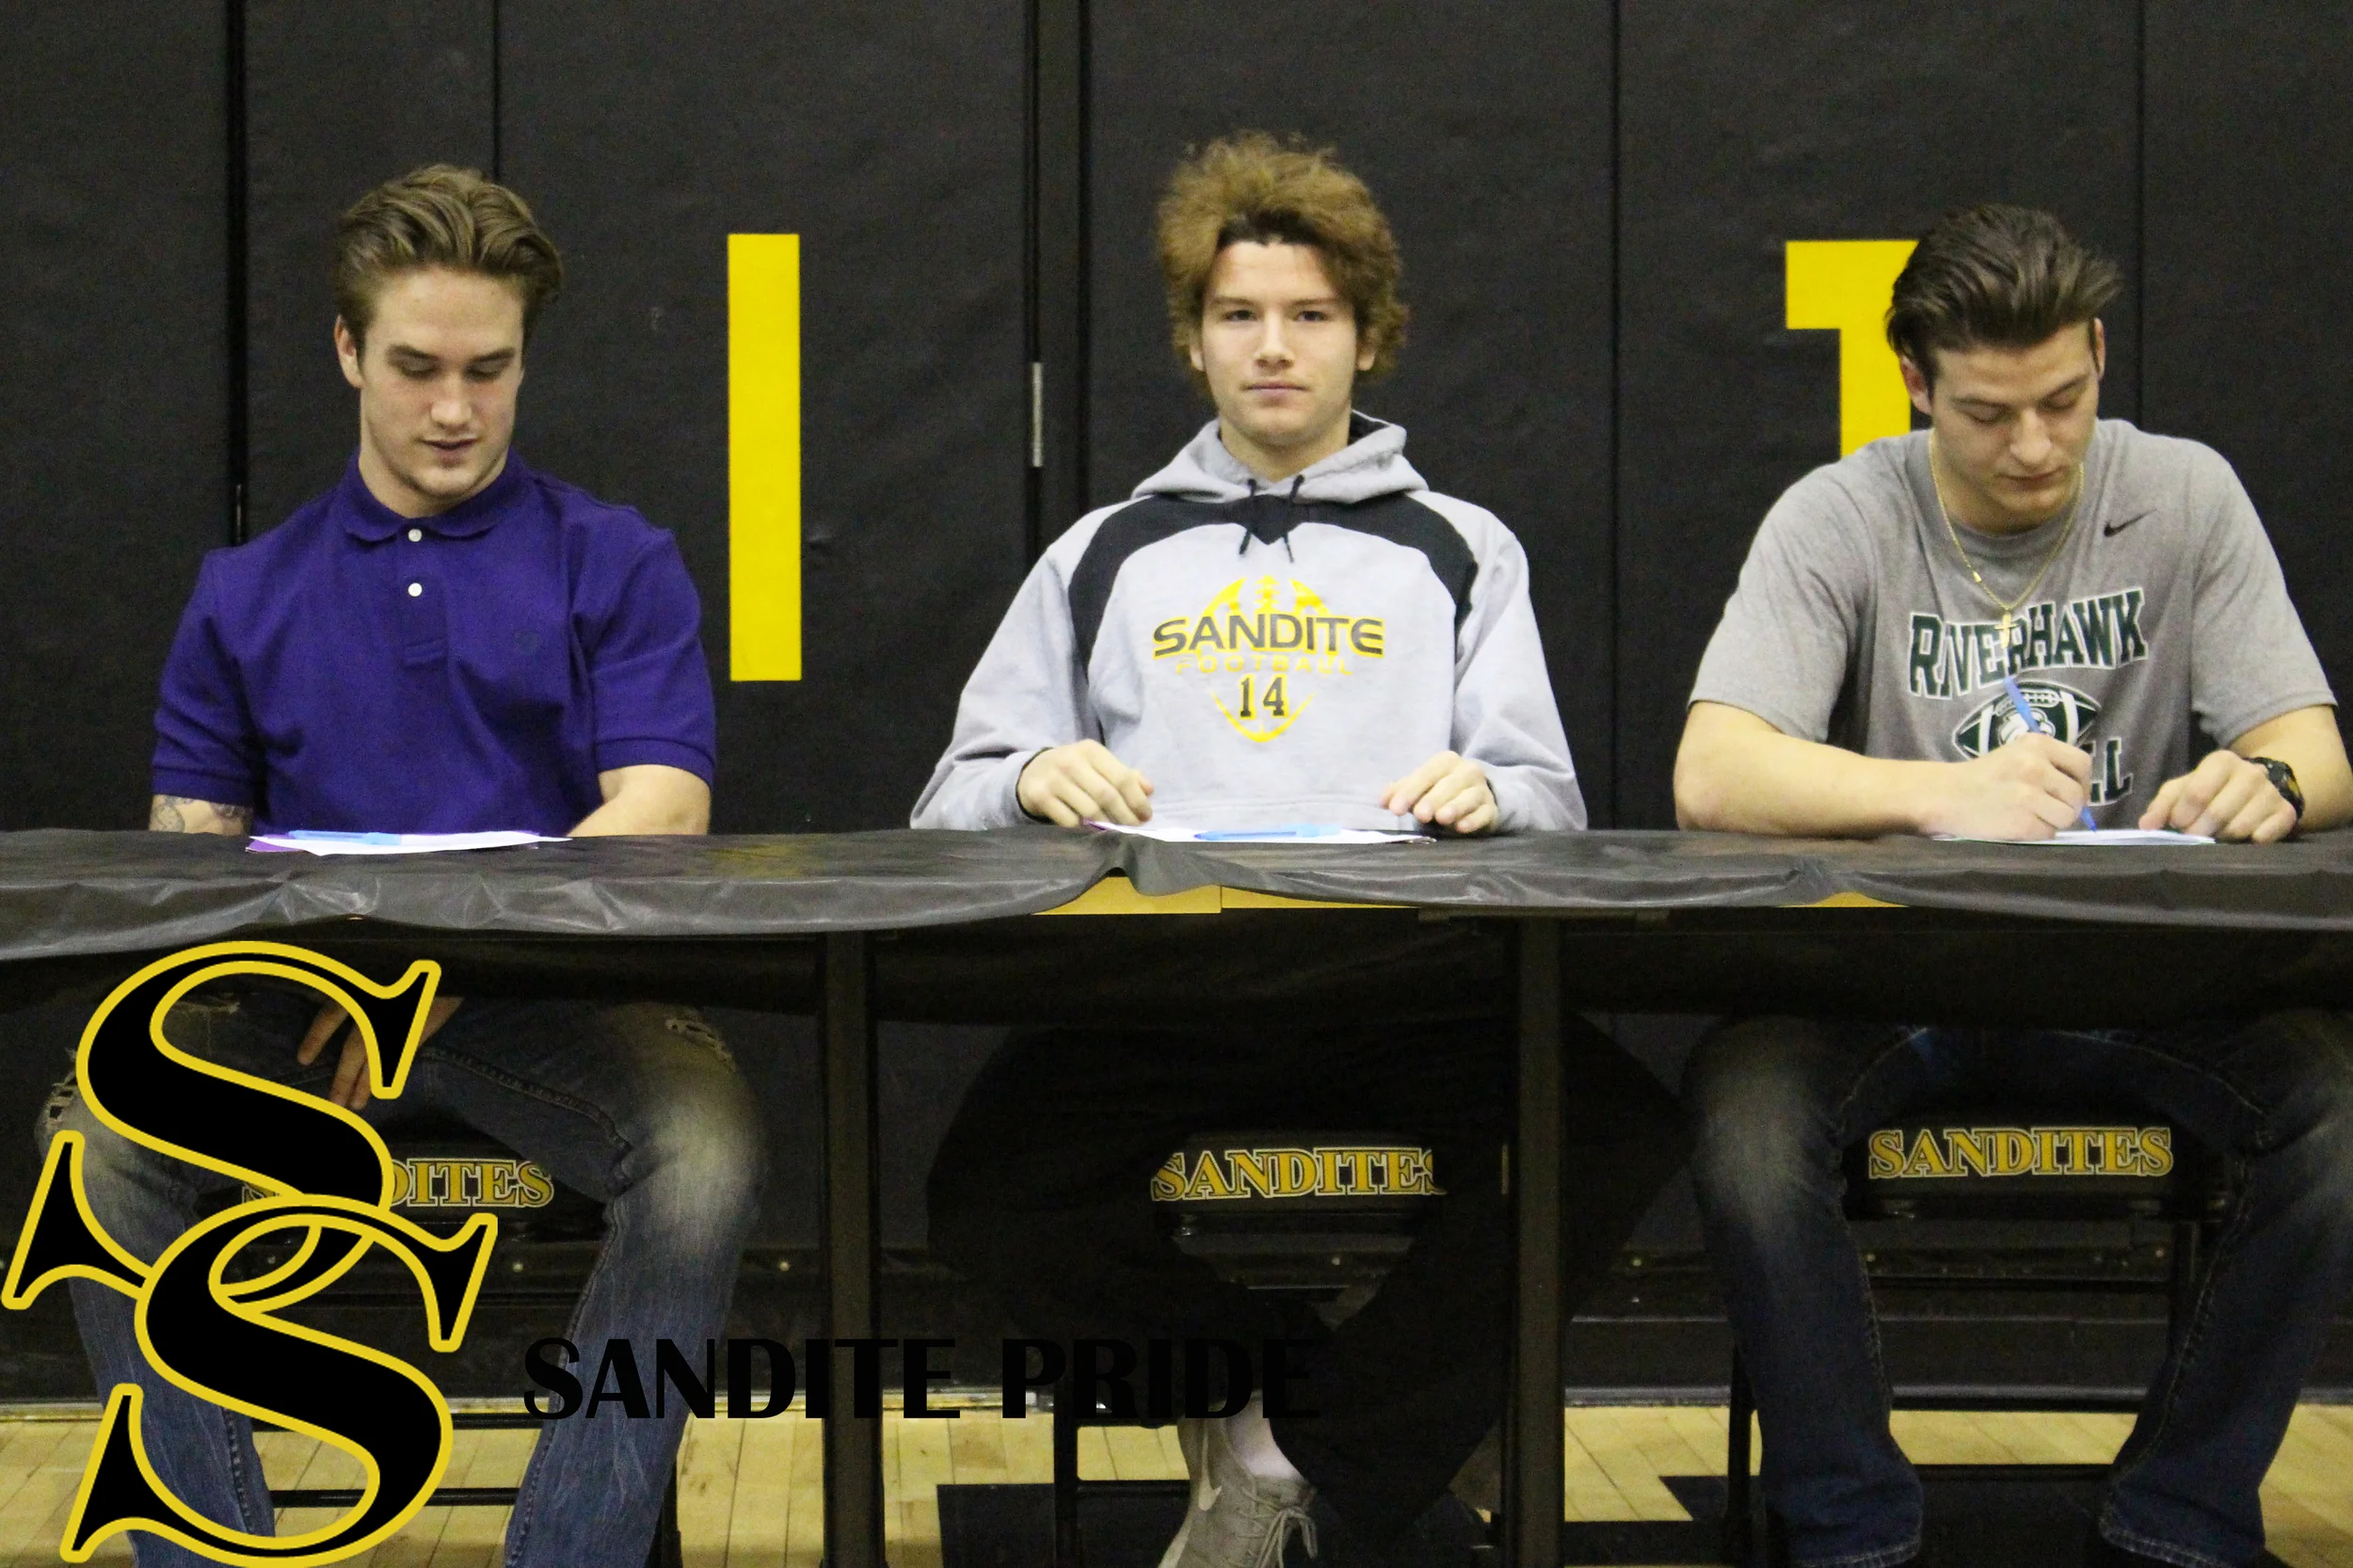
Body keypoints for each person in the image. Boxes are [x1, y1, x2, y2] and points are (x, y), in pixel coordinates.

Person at [915, 133, 1684, 1568]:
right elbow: (946, 799)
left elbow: (1550, 800)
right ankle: (1309, 1404)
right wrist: (1027, 772)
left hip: (1406, 984)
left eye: (1311, 315)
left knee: (1617, 1131)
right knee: (987, 1197)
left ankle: (1281, 1450)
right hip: (1158, 988)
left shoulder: (1462, 546)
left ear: (1368, 338)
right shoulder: (1104, 551)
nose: (1274, 346)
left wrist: (1491, 788)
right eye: (1239, 314)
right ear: (1194, 341)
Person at [38, 166, 763, 1568]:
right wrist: (327, 978)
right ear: (347, 351)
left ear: (524, 361)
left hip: (544, 1000)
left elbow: (662, 810)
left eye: (489, 371)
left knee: (707, 1154)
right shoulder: (245, 594)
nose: (453, 409)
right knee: (99, 1138)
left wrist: (438, 971)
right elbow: (191, 854)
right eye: (418, 367)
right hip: (304, 1007)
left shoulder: (616, 560)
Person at [1674, 203, 2353, 1568]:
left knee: (2341, 1116)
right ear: (1917, 384)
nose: (2035, 446)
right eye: (1989, 413)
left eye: (2063, 401)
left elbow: (2316, 750)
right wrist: (1935, 794)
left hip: (2141, 984)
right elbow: (1713, 770)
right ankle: (1853, 1530)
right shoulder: (1840, 512)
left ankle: (2179, 1515)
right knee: (1745, 1117)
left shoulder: (2186, 494)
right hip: (1898, 986)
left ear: (2097, 352)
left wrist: (2270, 782)